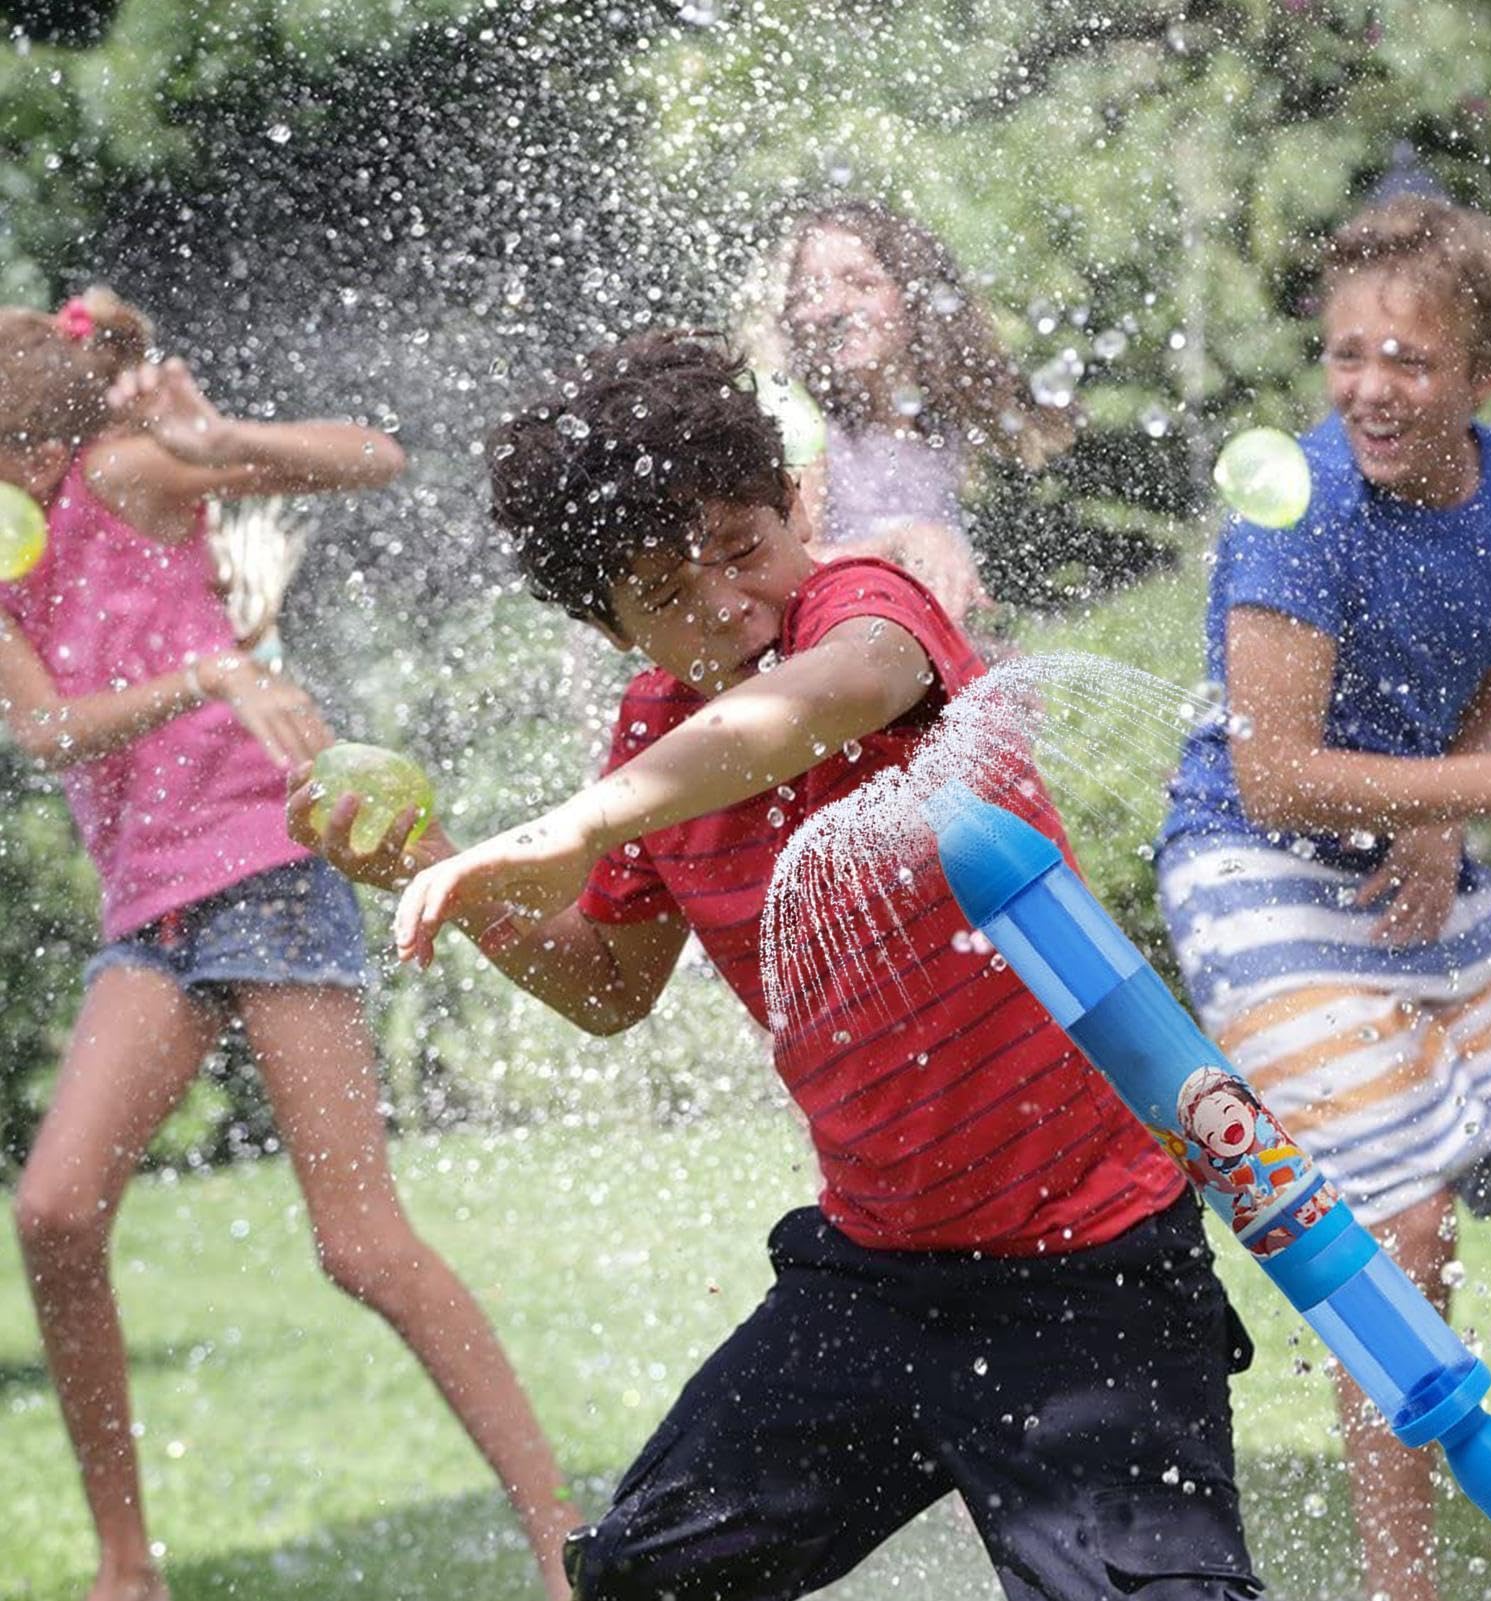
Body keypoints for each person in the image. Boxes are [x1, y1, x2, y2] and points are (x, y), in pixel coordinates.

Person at [293, 329, 1263, 1601]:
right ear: (607, 621)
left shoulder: (866, 606)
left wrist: (575, 827)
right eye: (662, 587)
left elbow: (816, 700)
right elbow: (605, 986)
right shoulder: (652, 738)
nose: (728, 602)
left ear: (795, 508)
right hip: (877, 1279)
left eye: (743, 548)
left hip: (1087, 1268)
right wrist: (447, 869)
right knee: (637, 1576)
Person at [0, 290, 577, 1601]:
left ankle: (562, 1543)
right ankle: (126, 1570)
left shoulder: (130, 471)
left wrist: (215, 439)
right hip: (152, 909)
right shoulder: (2, 559)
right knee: (53, 1209)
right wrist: (205, 676)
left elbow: (373, 457)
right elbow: (47, 732)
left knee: (360, 1246)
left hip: (265, 866)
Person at [1155, 197, 1491, 1601]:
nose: (1368, 391)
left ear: (1477, 375)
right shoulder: (1294, 506)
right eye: (1346, 355)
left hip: (1408, 834)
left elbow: (1485, 671)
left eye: (1408, 361)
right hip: (1257, 865)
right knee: (1400, 1227)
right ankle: (1397, 1587)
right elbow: (1277, 778)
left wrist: (1458, 789)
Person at [773, 199, 1074, 622]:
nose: (834, 308)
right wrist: (901, 544)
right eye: (811, 292)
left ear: (916, 301)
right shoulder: (809, 430)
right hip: (846, 650)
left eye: (861, 284)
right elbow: (788, 574)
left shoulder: (937, 427)